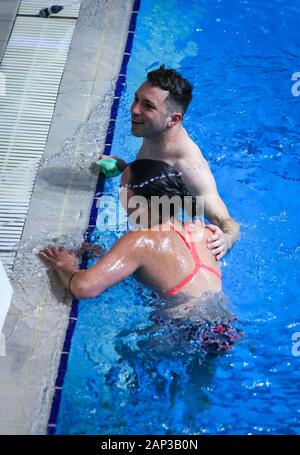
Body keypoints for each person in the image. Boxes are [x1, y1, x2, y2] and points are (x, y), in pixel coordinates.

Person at [99, 65, 240, 261]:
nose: (134, 109)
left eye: (148, 106)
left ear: (173, 119)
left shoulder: (189, 168)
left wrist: (226, 239)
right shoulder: (152, 130)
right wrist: (126, 167)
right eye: (136, 99)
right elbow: (153, 174)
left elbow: (227, 222)